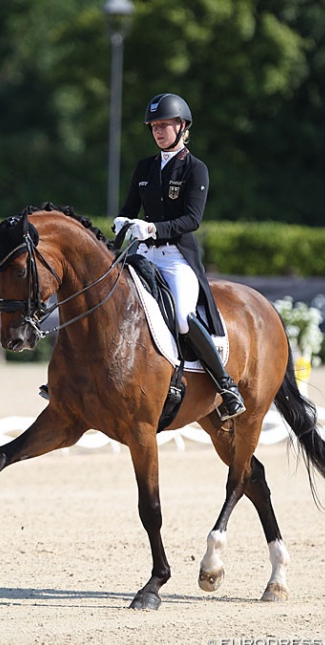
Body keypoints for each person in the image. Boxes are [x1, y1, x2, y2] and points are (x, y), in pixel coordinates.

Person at [113, 92, 245, 420]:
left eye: (164, 125)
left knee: (184, 317)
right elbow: (130, 209)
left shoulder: (195, 169)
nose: (158, 131)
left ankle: (226, 385)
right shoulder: (144, 167)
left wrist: (153, 229)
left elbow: (191, 219)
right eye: (154, 126)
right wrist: (122, 221)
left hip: (175, 259)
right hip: (143, 253)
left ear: (182, 126)